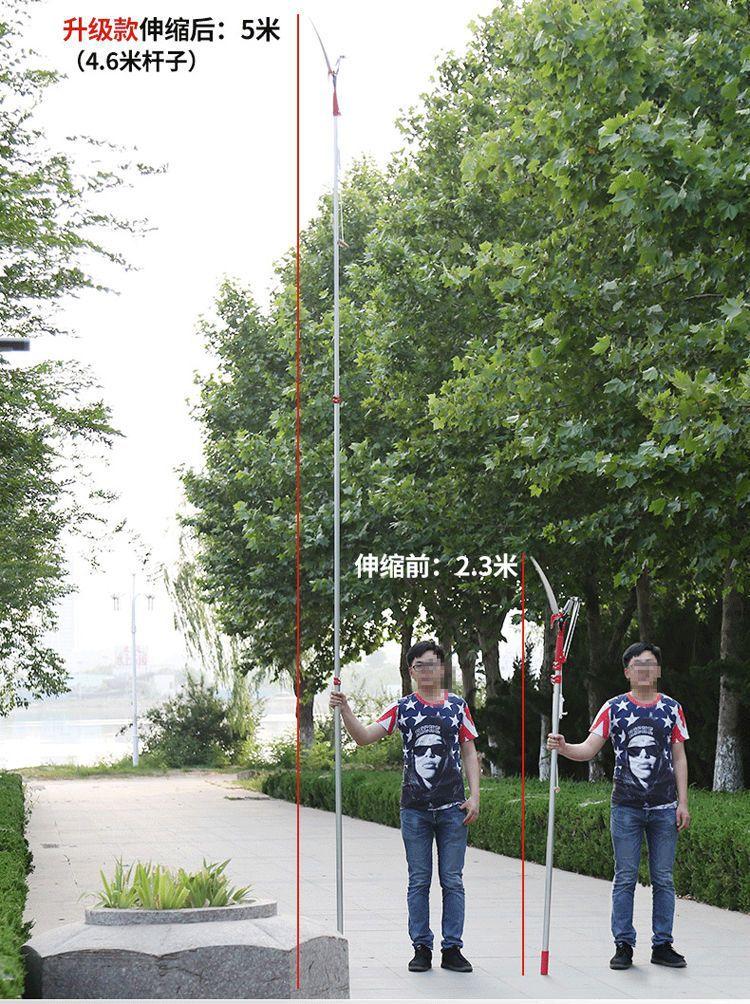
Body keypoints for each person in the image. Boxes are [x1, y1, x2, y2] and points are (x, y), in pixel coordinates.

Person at [329, 639, 480, 975]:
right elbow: (364, 737)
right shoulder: (402, 708)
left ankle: (452, 948)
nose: (426, 671)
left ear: (442, 668)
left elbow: (469, 751)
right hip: (414, 809)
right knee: (419, 880)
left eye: (432, 664)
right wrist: (346, 709)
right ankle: (421, 947)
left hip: (453, 808)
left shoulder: (457, 706)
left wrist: (475, 796)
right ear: (411, 671)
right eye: (419, 665)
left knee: (452, 880)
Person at [547, 641, 690, 971]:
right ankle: (623, 944)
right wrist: (564, 747)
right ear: (627, 672)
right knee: (625, 877)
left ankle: (663, 944)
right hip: (626, 806)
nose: (644, 669)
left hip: (664, 807)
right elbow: (589, 749)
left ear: (658, 670)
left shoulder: (672, 709)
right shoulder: (614, 708)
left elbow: (679, 757)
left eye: (650, 663)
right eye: (638, 664)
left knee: (664, 878)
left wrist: (682, 802)